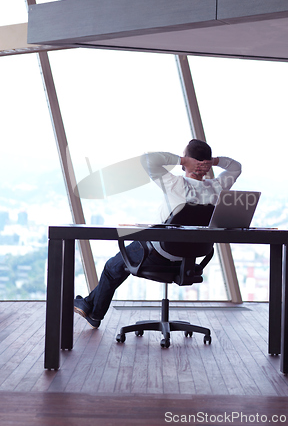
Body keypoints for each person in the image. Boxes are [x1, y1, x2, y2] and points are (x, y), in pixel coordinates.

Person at [74, 139, 242, 328]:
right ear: (206, 163)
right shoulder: (217, 188)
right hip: (189, 259)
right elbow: (236, 167)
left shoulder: (176, 184)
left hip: (158, 253)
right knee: (120, 264)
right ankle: (89, 305)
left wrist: (180, 160)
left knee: (112, 267)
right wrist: (215, 161)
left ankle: (94, 312)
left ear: (189, 160)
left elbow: (147, 160)